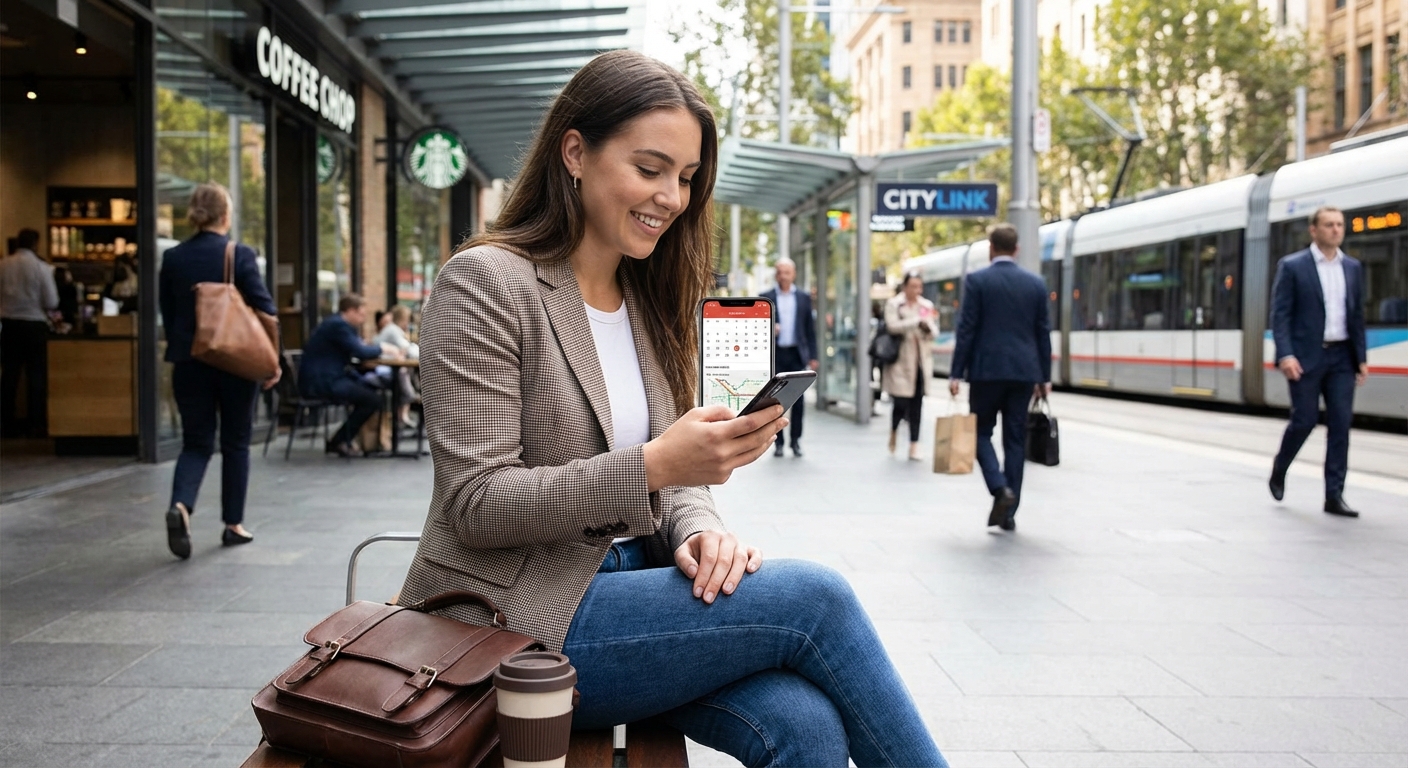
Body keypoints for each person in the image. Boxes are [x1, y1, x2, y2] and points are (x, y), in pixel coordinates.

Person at [396, 50, 946, 767]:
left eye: (686, 178)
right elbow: (476, 502)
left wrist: (698, 530)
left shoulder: (648, 302)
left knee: (807, 725)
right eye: (650, 168)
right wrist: (655, 465)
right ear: (575, 153)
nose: (672, 197)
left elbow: (675, 480)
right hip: (512, 621)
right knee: (815, 599)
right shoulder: (487, 282)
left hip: (636, 597)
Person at [158, 183, 280, 558]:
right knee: (236, 442)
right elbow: (265, 309)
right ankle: (233, 524)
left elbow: (169, 312)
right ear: (225, 215)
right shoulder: (237, 254)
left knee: (196, 442)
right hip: (234, 362)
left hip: (189, 361)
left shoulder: (174, 257)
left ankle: (181, 505)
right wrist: (272, 359)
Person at [948, 224, 1052, 532]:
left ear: (991, 248)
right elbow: (1042, 333)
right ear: (1016, 249)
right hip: (1024, 372)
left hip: (986, 371)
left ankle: (998, 488)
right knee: (1015, 439)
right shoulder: (1035, 284)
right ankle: (1009, 512)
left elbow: (966, 330)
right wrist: (1044, 377)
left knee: (980, 432)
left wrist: (956, 372)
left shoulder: (977, 281)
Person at [1268, 206, 1368, 517]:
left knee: (1340, 425)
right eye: (1329, 225)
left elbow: (1357, 315)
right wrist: (1285, 354)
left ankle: (1334, 495)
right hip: (1306, 357)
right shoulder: (1293, 266)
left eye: (1339, 224)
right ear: (1314, 230)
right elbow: (1280, 315)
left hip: (1341, 356)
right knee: (1305, 420)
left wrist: (1360, 358)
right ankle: (1279, 469)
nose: (1336, 230)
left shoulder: (1352, 267)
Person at [299, 293, 400, 457]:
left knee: (370, 390)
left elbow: (356, 351)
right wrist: (384, 348)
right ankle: (339, 441)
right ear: (350, 311)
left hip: (329, 377)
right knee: (372, 399)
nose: (363, 319)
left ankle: (349, 440)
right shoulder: (339, 326)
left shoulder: (337, 325)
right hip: (322, 382)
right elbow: (359, 351)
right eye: (361, 314)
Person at [0, 228, 59, 438]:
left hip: (8, 324)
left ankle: (7, 421)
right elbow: (51, 301)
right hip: (34, 324)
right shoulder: (41, 268)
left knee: (10, 374)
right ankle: (36, 423)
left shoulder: (3, 265)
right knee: (36, 376)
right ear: (36, 243)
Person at [760, 258, 817, 457]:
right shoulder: (765, 297)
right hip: (776, 354)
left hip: (796, 354)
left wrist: (813, 355)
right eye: (780, 272)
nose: (783, 275)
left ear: (793, 274)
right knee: (776, 401)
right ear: (776, 274)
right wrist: (769, 328)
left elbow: (810, 328)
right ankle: (778, 442)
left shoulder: (803, 298)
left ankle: (795, 441)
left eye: (787, 272)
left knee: (799, 400)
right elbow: (757, 329)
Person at [883, 271, 937, 460]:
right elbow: (892, 326)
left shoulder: (926, 305)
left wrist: (927, 327)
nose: (916, 290)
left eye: (919, 286)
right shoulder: (894, 304)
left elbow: (934, 332)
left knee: (917, 403)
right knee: (900, 402)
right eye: (912, 286)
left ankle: (914, 444)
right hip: (900, 361)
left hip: (920, 362)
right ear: (905, 286)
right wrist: (915, 322)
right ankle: (894, 430)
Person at [373, 304, 419, 427]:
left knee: (406, 371)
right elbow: (409, 350)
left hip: (385, 367)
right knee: (404, 372)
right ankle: (409, 402)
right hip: (381, 370)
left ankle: (405, 410)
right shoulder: (393, 330)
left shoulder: (393, 329)